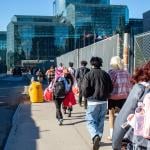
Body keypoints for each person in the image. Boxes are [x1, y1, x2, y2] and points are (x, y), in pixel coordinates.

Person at [112, 61, 150, 150]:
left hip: (142, 142)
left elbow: (123, 119)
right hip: (123, 95)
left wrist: (116, 144)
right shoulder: (126, 73)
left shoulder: (142, 88)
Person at [82, 57, 113, 150]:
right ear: (101, 64)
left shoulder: (88, 74)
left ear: (91, 64)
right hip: (104, 101)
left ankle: (95, 135)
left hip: (92, 101)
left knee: (90, 120)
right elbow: (111, 87)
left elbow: (85, 89)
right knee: (100, 120)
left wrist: (86, 97)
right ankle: (98, 137)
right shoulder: (105, 74)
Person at [107, 56, 132, 140]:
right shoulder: (126, 73)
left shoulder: (111, 73)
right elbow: (130, 85)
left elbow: (110, 85)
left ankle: (111, 135)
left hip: (113, 97)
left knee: (111, 115)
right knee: (124, 116)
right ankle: (123, 134)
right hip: (124, 97)